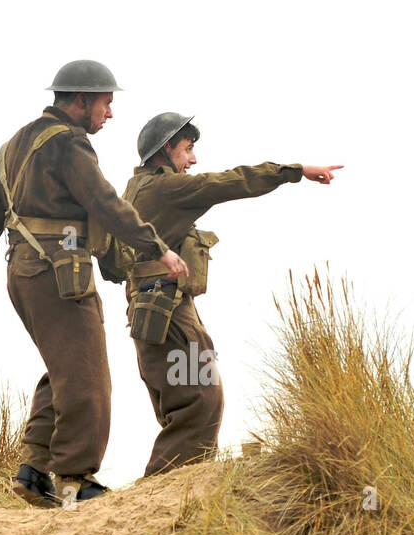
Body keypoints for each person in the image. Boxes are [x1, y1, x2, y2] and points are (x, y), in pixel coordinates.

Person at [0, 62, 188, 507]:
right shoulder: (69, 142)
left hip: (22, 270)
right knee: (87, 375)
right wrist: (156, 247)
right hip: (59, 270)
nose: (110, 114)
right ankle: (74, 480)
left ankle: (33, 471)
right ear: (81, 101)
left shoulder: (13, 146)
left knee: (64, 367)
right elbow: (104, 202)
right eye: (106, 103)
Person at [120, 112, 341, 476]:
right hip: (168, 308)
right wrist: (296, 170)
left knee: (182, 398)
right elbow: (230, 182)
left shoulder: (136, 188)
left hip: (152, 309)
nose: (193, 159)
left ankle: (168, 486)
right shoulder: (167, 188)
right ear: (165, 150)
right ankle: (171, 488)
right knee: (201, 396)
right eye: (187, 150)